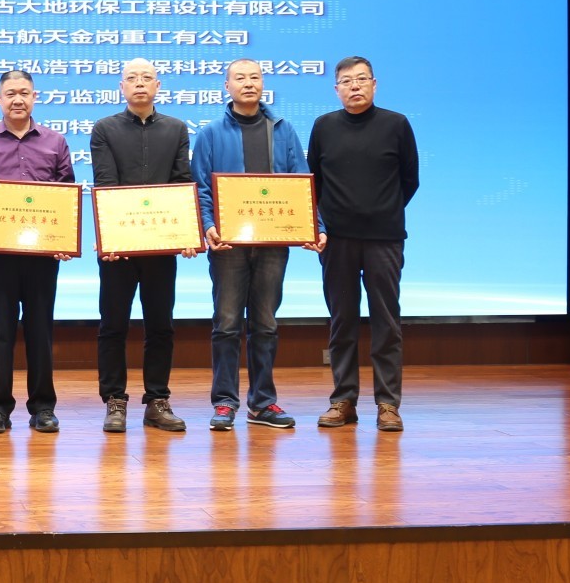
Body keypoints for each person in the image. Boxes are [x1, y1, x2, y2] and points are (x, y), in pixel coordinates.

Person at [192, 58, 323, 431]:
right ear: (227, 86)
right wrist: (208, 226)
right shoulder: (210, 133)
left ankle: (263, 402)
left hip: (272, 243)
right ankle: (224, 402)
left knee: (265, 323)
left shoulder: (283, 130)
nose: (248, 83)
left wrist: (314, 226)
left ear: (263, 83)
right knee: (227, 324)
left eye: (255, 77)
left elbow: (301, 182)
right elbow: (201, 186)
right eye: (240, 78)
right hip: (228, 246)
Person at [307, 56, 420, 432]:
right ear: (336, 89)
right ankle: (343, 400)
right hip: (337, 240)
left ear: (374, 84)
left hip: (384, 239)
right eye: (346, 81)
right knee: (342, 322)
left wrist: (382, 211)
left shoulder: (396, 124)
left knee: (386, 322)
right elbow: (313, 182)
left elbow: (410, 180)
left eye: (361, 79)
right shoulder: (324, 126)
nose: (354, 86)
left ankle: (388, 404)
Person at [0, 70, 75, 434]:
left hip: (42, 255)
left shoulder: (55, 142)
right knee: (0, 331)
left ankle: (43, 407)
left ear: (34, 97)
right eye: (10, 93)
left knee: (41, 330)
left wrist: (64, 237)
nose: (17, 99)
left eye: (24, 93)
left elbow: (66, 193)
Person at [89, 58, 196, 434]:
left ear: (157, 85)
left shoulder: (176, 128)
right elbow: (105, 183)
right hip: (118, 247)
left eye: (146, 77)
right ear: (121, 86)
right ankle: (114, 401)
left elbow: (181, 181)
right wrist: (111, 236)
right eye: (131, 78)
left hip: (161, 246)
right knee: (113, 324)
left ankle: (157, 400)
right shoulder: (104, 128)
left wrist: (186, 234)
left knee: (161, 325)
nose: (139, 83)